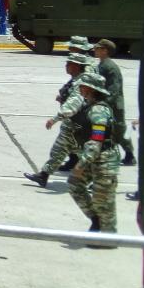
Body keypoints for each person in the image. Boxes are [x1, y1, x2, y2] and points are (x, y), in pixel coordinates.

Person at [25, 52, 92, 187]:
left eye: (69, 64)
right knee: (59, 151)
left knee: (87, 154)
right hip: (72, 125)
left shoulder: (81, 82)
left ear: (78, 66)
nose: (66, 66)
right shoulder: (76, 80)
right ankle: (43, 176)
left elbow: (73, 104)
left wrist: (55, 119)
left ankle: (99, 179)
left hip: (77, 125)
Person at [67, 71, 120, 243]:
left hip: (105, 160)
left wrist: (81, 164)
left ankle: (106, 239)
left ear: (90, 89)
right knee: (75, 185)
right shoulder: (89, 106)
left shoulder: (98, 111)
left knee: (103, 200)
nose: (80, 89)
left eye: (83, 86)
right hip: (93, 158)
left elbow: (97, 140)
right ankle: (96, 221)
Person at [93, 39, 136, 166]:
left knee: (119, 130)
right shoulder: (102, 65)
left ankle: (130, 155)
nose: (95, 50)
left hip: (114, 105)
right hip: (107, 103)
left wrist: (104, 103)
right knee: (112, 130)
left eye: (98, 48)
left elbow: (114, 89)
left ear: (105, 51)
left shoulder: (110, 66)